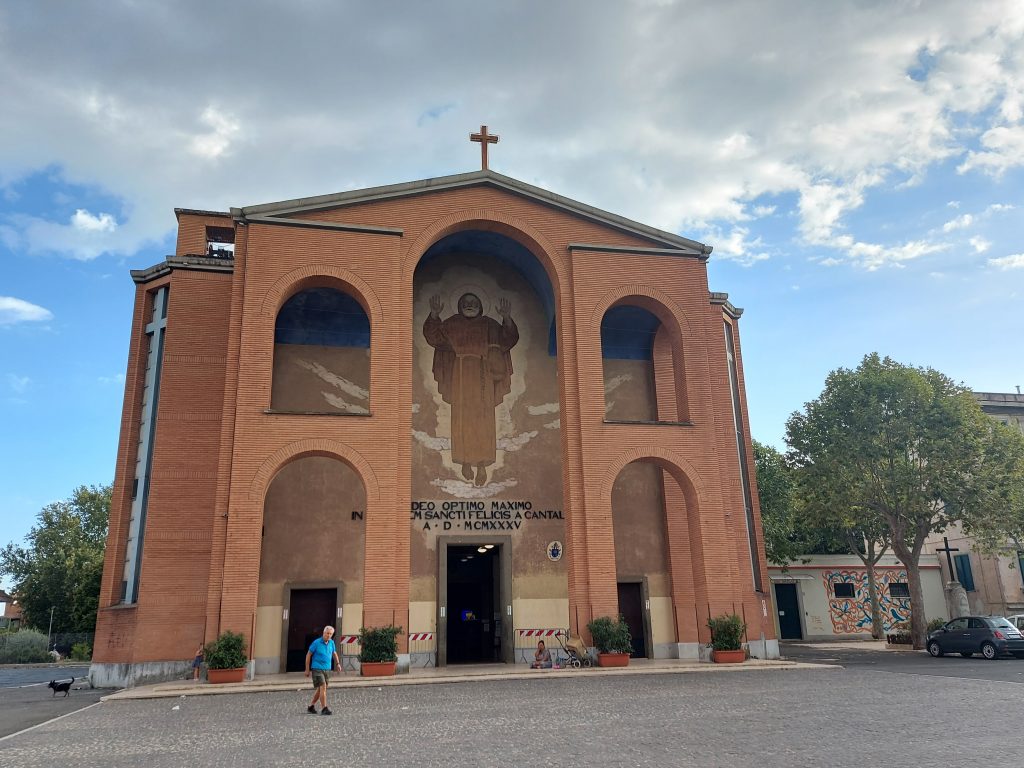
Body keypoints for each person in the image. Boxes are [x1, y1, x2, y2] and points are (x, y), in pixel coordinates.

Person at [423, 292, 519, 486]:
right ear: (459, 306)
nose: (469, 305)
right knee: (462, 419)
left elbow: (507, 340)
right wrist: (434, 315)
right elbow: (434, 338)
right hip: (460, 378)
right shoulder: (451, 324)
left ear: (481, 306)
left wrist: (506, 318)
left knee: (483, 420)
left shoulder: (490, 324)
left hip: (484, 378)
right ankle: (465, 461)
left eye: (473, 303)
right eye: (465, 303)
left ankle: (482, 465)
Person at [305, 625, 341, 715]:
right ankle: (324, 708)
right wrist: (307, 669)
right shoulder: (316, 643)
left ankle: (311, 706)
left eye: (330, 634)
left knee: (321, 689)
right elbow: (308, 654)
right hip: (317, 668)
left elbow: (334, 653)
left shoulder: (331, 643)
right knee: (323, 687)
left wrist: (338, 664)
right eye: (327, 633)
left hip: (327, 669)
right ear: (323, 633)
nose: (328, 635)